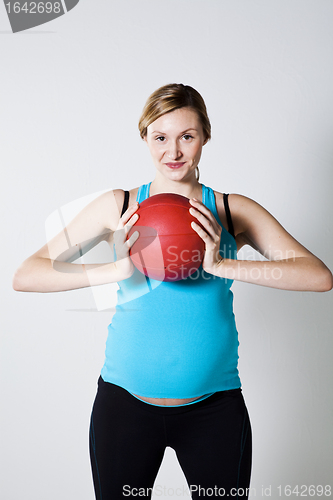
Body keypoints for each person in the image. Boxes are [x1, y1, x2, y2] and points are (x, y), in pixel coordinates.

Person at [13, 83, 333, 499]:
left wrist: (223, 264)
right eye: (160, 138)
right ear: (145, 137)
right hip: (124, 406)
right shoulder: (121, 205)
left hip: (214, 409)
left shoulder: (231, 209)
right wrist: (116, 268)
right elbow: (27, 274)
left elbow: (317, 276)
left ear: (205, 137)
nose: (174, 151)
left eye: (188, 136)